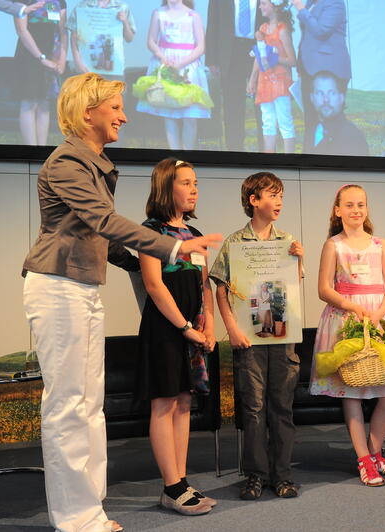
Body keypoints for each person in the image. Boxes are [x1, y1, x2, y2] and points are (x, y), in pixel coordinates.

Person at [21, 72, 221, 532]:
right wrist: (172, 248)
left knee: (89, 406)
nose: (123, 117)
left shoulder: (93, 163)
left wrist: (140, 262)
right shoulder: (67, 162)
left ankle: (90, 509)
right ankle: (75, 518)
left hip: (82, 287)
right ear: (87, 111)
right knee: (70, 406)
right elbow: (103, 220)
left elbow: (99, 237)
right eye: (114, 108)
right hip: (58, 287)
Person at [311, 184, 385, 486]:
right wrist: (352, 307)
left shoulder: (380, 245)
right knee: (352, 390)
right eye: (349, 205)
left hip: (380, 321)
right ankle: (364, 459)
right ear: (338, 210)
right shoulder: (333, 245)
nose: (356, 210)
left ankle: (375, 455)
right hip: (346, 320)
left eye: (361, 204)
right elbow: (324, 289)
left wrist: (380, 313)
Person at [209, 171, 303, 500]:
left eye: (281, 196)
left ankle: (283, 475)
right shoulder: (235, 242)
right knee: (253, 407)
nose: (279, 202)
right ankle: (255, 475)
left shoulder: (286, 240)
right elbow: (221, 289)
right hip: (249, 338)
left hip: (281, 335)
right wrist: (232, 328)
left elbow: (292, 288)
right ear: (254, 200)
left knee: (282, 406)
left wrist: (298, 261)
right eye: (273, 195)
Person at [137, 159, 218, 515]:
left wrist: (209, 325)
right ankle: (171, 487)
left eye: (195, 182)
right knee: (164, 403)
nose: (194, 189)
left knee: (184, 403)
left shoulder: (193, 234)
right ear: (166, 187)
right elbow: (154, 285)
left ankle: (181, 483)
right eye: (186, 182)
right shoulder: (150, 231)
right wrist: (186, 328)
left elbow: (204, 286)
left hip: (194, 331)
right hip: (165, 329)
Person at [137, 0, 211, 150]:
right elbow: (151, 41)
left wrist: (181, 63)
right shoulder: (158, 13)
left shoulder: (193, 15)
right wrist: (161, 56)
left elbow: (201, 47)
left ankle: (187, 155)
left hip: (188, 67)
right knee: (168, 114)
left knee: (190, 116)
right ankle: (174, 154)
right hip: (165, 64)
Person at [291, 0, 350, 150]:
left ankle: (333, 154)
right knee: (310, 119)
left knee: (331, 121)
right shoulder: (311, 3)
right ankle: (309, 154)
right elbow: (306, 37)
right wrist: (300, 65)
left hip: (329, 70)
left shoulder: (335, 3)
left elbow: (321, 31)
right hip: (309, 69)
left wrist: (301, 9)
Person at [206, 0, 260, 151]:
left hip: (258, 48)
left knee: (263, 104)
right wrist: (212, 59)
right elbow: (213, 22)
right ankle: (234, 150)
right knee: (232, 105)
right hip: (230, 51)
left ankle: (267, 150)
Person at [13, 0, 67, 145]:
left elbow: (63, 31)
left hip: (51, 55)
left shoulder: (60, 2)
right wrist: (41, 58)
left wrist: (62, 59)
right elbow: (21, 30)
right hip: (29, 56)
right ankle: (31, 150)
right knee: (29, 102)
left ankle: (42, 149)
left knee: (44, 103)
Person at [246, 0, 296, 153]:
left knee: (284, 122)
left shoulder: (282, 30)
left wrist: (274, 58)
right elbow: (258, 57)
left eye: (264, 3)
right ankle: (270, 158)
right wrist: (253, 78)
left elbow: (292, 60)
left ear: (275, 6)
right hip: (265, 82)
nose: (260, 6)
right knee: (267, 123)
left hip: (280, 82)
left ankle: (290, 160)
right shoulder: (263, 29)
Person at [67, 0, 136, 76]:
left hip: (115, 69)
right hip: (86, 68)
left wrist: (125, 22)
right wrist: (77, 62)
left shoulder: (122, 7)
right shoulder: (82, 6)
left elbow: (129, 39)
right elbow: (73, 38)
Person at [307, 70, 367, 156]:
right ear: (312, 98)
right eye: (320, 93)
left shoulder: (353, 137)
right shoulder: (311, 131)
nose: (326, 99)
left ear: (341, 98)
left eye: (332, 93)